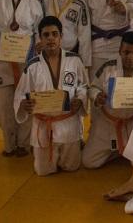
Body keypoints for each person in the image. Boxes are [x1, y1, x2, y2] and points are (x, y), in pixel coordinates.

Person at [14, 16, 89, 176]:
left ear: (61, 37)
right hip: (43, 127)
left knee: (72, 166)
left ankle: (75, 145)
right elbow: (21, 93)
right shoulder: (33, 65)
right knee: (43, 171)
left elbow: (83, 86)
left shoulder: (74, 61)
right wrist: (23, 104)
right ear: (40, 38)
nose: (50, 39)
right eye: (46, 35)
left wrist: (80, 100)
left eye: (55, 34)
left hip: (69, 124)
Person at [0, 0, 43, 157]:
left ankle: (24, 144)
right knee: (3, 104)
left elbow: (38, 31)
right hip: (2, 60)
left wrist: (39, 45)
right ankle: (9, 144)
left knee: (26, 102)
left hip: (26, 60)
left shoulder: (35, 3)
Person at [82, 32, 133, 168]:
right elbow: (92, 88)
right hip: (107, 123)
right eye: (126, 52)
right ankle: (119, 150)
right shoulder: (107, 68)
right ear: (120, 51)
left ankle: (122, 149)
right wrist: (97, 95)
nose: (130, 57)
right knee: (89, 162)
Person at [41, 0, 92, 68]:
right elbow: (38, 26)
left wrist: (85, 64)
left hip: (71, 54)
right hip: (48, 54)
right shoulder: (45, 0)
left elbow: (84, 36)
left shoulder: (79, 3)